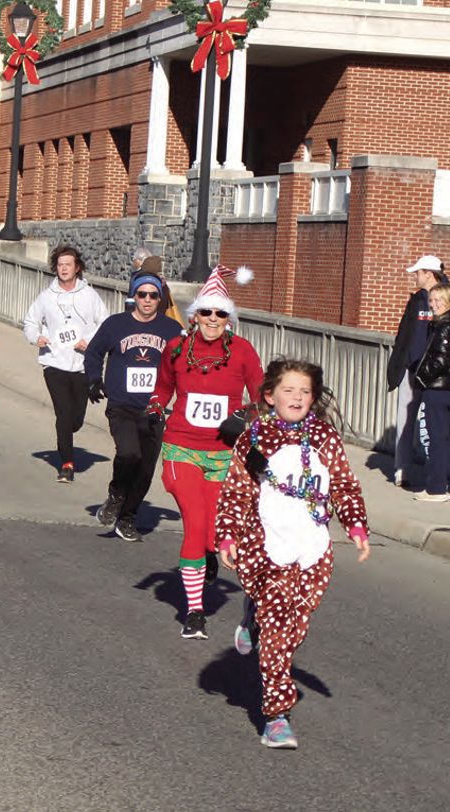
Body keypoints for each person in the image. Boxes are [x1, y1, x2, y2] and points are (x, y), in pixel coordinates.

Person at [216, 358, 370, 750]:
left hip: (313, 550)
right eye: (288, 390)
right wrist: (228, 536)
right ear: (270, 396)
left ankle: (253, 618)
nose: (297, 397)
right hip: (267, 548)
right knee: (279, 633)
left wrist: (355, 525)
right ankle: (276, 715)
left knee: (294, 628)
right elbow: (236, 491)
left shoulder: (324, 437)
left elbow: (344, 485)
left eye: (304, 391)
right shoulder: (255, 437)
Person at [145, 265, 263, 639]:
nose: (213, 319)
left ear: (230, 318)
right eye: (207, 312)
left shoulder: (243, 352)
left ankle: (208, 555)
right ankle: (194, 613)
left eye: (220, 313)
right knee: (195, 524)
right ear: (195, 315)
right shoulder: (177, 348)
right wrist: (153, 410)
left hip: (223, 454)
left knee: (213, 533)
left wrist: (243, 416)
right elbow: (163, 388)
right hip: (180, 448)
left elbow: (262, 399)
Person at [84, 273, 182, 541]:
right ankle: (116, 494)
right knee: (129, 454)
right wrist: (93, 380)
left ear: (160, 299)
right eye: (142, 294)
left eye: (153, 295)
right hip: (122, 405)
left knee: (146, 468)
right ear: (133, 297)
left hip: (155, 408)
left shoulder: (172, 330)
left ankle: (127, 517)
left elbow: (186, 363)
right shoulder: (115, 324)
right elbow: (94, 353)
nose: (147, 300)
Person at [22, 245, 109, 482]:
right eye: (60, 265)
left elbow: (105, 323)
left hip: (81, 364)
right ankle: (67, 464)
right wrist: (36, 337)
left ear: (77, 267)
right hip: (54, 362)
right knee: (63, 413)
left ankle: (67, 434)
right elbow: (30, 321)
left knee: (75, 419)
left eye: (68, 265)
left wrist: (88, 343)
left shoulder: (89, 295)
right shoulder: (46, 296)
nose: (63, 269)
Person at [386, 255, 446, 488]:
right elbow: (405, 334)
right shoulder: (416, 301)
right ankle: (402, 470)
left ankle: (436, 472)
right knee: (406, 419)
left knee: (435, 424)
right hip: (411, 370)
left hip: (435, 374)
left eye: (418, 273)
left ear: (429, 274)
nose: (415, 277)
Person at [413, 282, 450, 502]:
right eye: (432, 300)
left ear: (449, 302)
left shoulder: (445, 326)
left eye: (438, 300)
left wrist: (421, 376)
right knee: (443, 438)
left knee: (436, 439)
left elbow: (441, 359)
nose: (433, 304)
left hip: (438, 388)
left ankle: (436, 488)